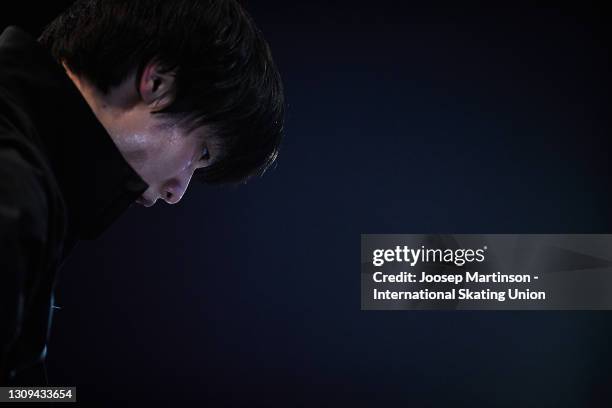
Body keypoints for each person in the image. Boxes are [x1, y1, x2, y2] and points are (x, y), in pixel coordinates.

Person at [0, 0, 284, 384]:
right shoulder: (14, 188)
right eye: (201, 153)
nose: (177, 192)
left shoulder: (30, 170)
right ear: (156, 84)